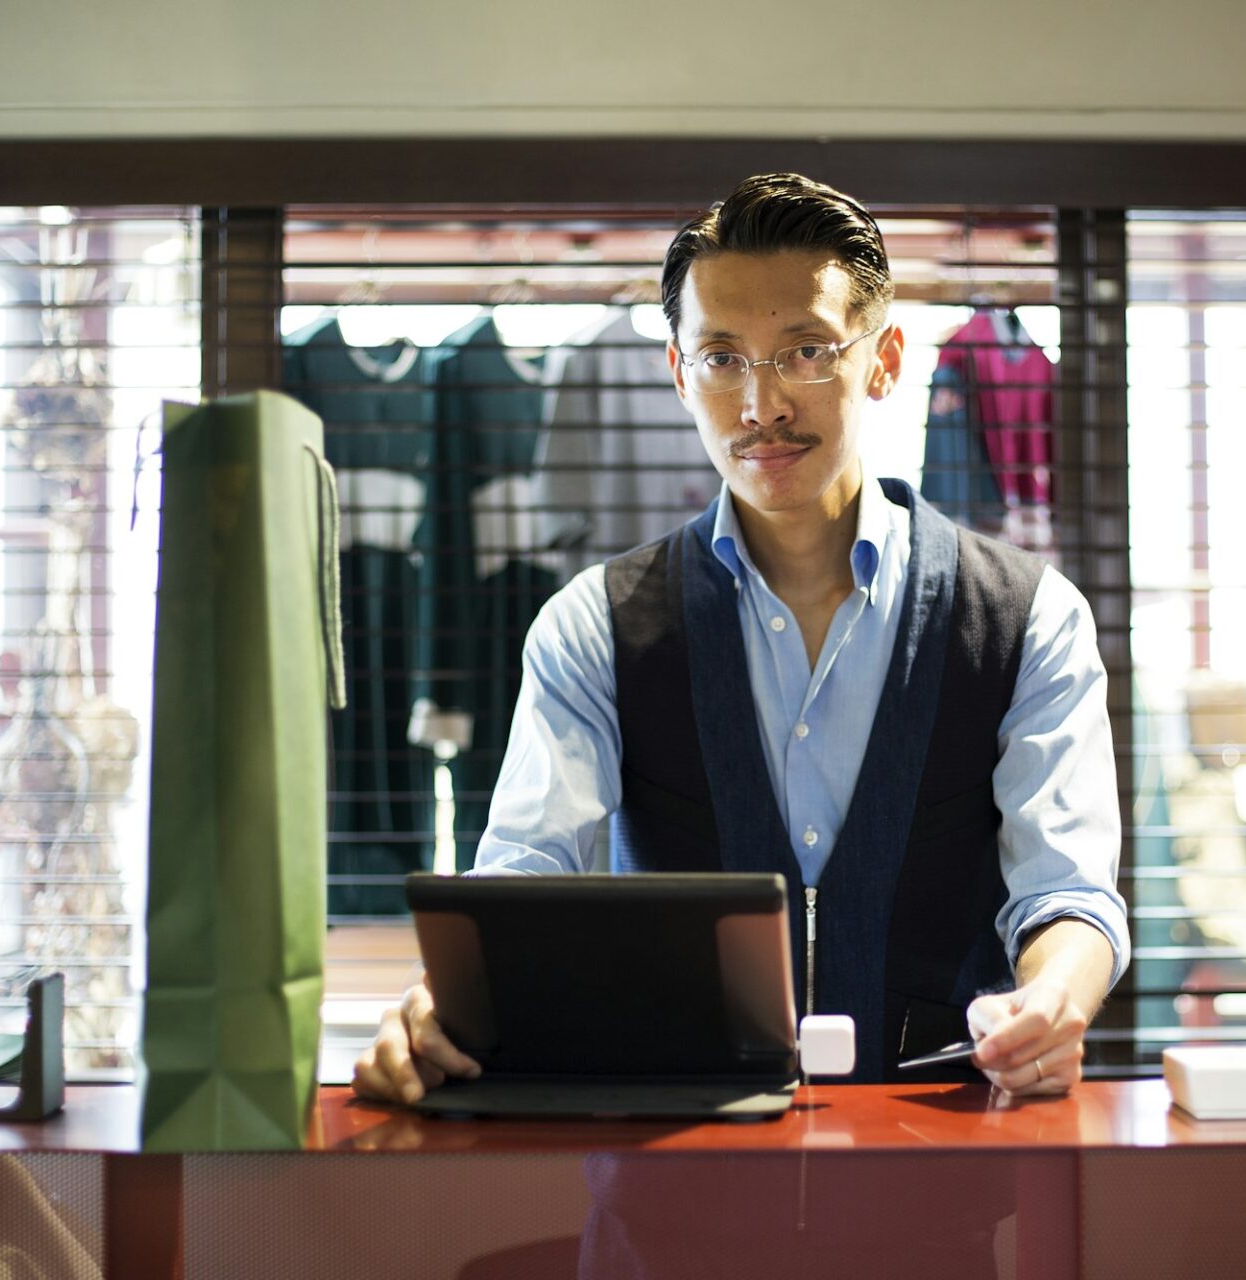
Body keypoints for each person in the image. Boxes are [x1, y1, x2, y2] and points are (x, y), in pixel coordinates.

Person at [354, 172, 1126, 1103]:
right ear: (680, 373)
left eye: (805, 351)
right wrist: (440, 1000)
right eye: (722, 358)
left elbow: (1067, 894)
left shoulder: (1028, 615)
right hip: (666, 1168)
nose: (761, 406)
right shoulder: (594, 625)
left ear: (881, 361)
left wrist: (1051, 997)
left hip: (939, 1162)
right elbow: (525, 877)